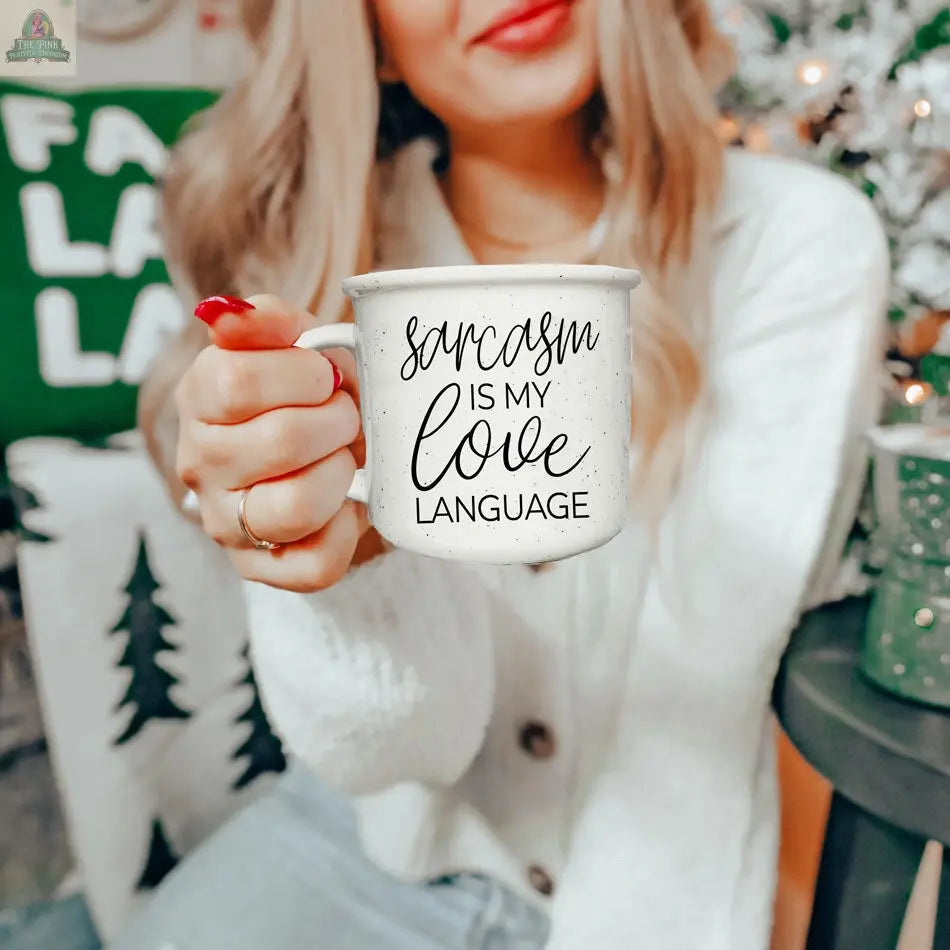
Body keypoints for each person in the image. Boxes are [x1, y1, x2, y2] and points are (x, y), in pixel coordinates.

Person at [118, 0, 889, 947]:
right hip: (361, 843)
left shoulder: (790, 239)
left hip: (650, 897)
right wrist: (353, 570)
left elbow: (705, 689)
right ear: (366, 34)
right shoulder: (328, 249)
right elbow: (398, 754)